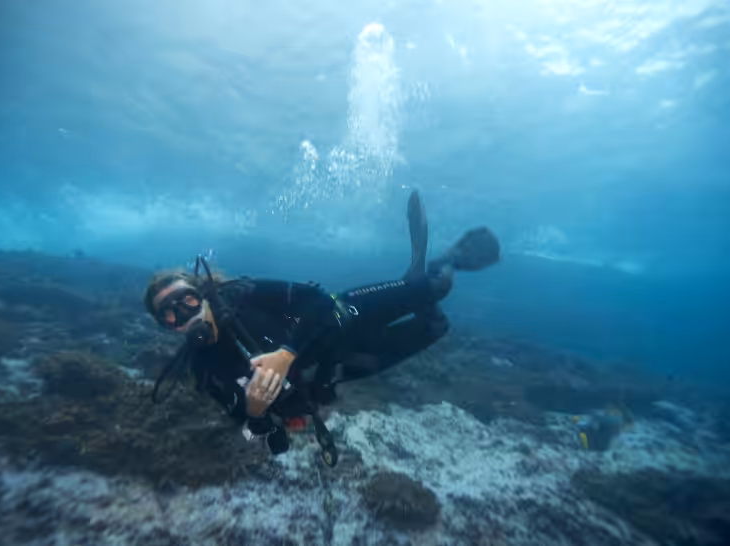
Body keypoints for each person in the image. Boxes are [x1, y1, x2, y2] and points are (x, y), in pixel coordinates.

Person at [143, 190, 501, 466]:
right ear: (166, 327)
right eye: (169, 314)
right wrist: (254, 412)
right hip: (342, 367)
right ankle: (415, 281)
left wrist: (286, 353)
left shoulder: (239, 295)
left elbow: (316, 299)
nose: (182, 314)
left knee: (437, 287)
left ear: (202, 293)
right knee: (436, 326)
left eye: (186, 301)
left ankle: (444, 263)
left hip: (344, 315)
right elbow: (253, 434)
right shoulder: (202, 368)